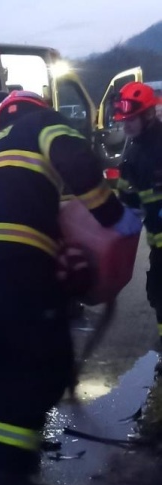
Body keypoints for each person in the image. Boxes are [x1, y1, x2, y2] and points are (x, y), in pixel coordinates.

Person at [0, 90, 130, 485]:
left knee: (4, 363)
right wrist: (112, 216)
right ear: (38, 110)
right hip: (16, 256)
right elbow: (76, 158)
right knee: (44, 362)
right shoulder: (42, 124)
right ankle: (11, 474)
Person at [113, 82, 162, 345]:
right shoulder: (132, 153)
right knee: (158, 295)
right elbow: (127, 197)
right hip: (158, 243)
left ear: (149, 114)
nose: (126, 125)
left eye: (131, 119)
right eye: (124, 120)